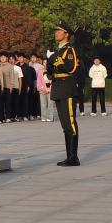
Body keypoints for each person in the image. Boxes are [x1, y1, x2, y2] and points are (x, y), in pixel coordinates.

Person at [46, 21, 81, 167]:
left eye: (59, 31)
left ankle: (74, 157)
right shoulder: (57, 51)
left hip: (67, 88)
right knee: (65, 125)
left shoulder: (70, 50)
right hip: (58, 88)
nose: (56, 33)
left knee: (70, 123)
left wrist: (56, 60)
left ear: (66, 34)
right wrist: (49, 66)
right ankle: (69, 156)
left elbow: (71, 69)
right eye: (56, 31)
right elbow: (50, 71)